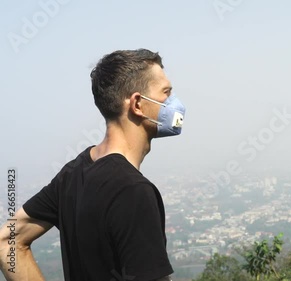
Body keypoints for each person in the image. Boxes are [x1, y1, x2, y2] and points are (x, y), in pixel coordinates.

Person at [0, 49, 185, 281]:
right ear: (138, 104)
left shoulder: (71, 173)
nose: (174, 103)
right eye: (166, 93)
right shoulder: (134, 191)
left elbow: (8, 241)